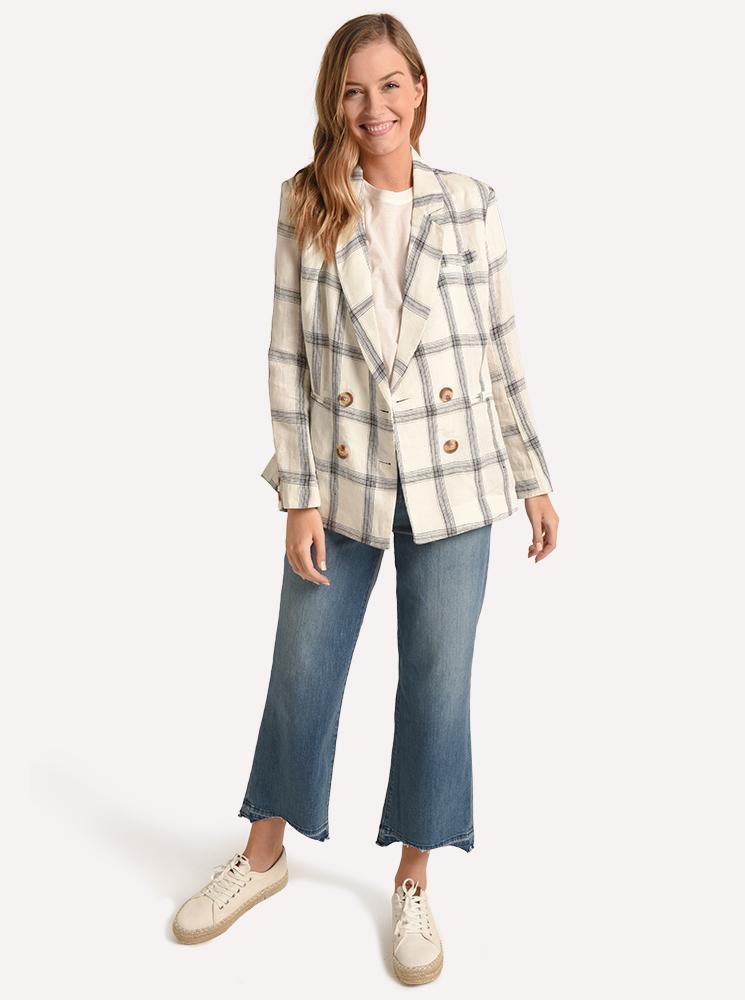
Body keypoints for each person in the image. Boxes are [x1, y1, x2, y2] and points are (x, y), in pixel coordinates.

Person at [172, 12, 559, 986]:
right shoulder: (306, 201)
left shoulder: (471, 202)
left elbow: (501, 347)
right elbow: (285, 359)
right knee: (302, 664)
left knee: (437, 680)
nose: (372, 106)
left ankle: (415, 877)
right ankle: (264, 853)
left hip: (457, 478)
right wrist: (298, 497)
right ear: (333, 102)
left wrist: (534, 476)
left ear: (419, 89)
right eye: (353, 90)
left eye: (389, 85)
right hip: (342, 478)